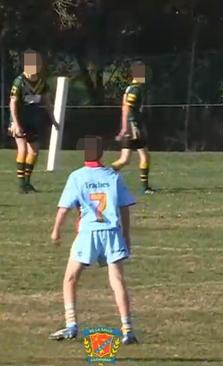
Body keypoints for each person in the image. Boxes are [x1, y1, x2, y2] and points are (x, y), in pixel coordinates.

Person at [49, 136, 138, 344]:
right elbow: (124, 208)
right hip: (111, 232)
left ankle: (71, 325)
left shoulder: (77, 177)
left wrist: (56, 230)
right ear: (101, 154)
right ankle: (128, 330)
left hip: (89, 233)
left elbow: (64, 208)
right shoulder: (113, 176)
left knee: (70, 278)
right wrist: (125, 235)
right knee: (117, 280)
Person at [8, 50, 57, 193]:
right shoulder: (19, 81)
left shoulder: (42, 82)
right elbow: (12, 103)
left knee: (34, 152)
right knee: (22, 149)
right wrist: (15, 123)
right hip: (20, 119)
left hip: (33, 120)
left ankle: (28, 181)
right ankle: (21, 184)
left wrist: (53, 119)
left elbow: (47, 102)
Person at [111, 61, 155, 194]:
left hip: (131, 125)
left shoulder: (133, 87)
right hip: (133, 126)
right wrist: (128, 126)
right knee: (144, 155)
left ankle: (102, 176)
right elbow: (126, 108)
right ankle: (144, 187)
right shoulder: (135, 89)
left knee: (125, 159)